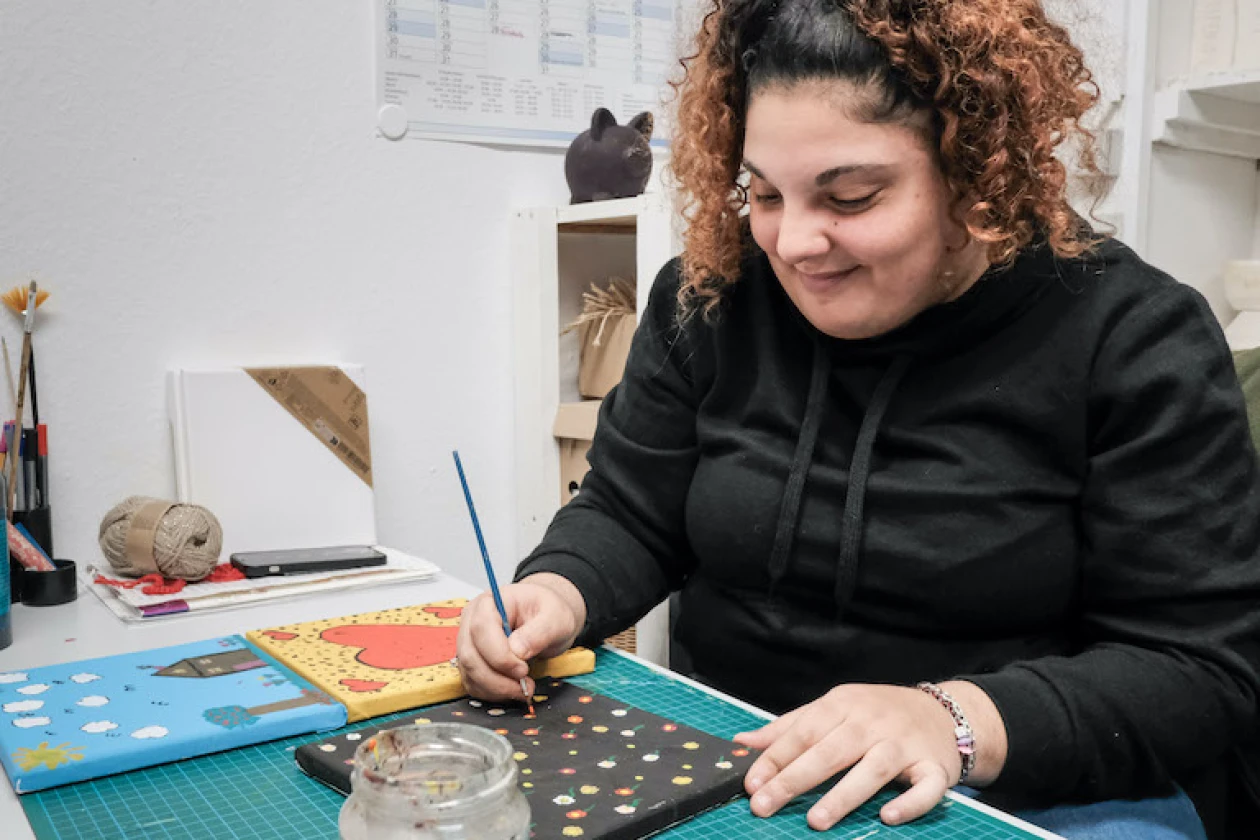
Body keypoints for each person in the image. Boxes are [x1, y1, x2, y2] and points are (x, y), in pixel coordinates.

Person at [456, 1, 1260, 838]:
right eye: (764, 192)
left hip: (1035, 781)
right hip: (750, 752)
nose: (795, 241)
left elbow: (1199, 668)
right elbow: (632, 508)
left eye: (850, 196)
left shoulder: (1134, 336)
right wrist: (556, 588)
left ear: (975, 170)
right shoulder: (711, 293)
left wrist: (951, 719)